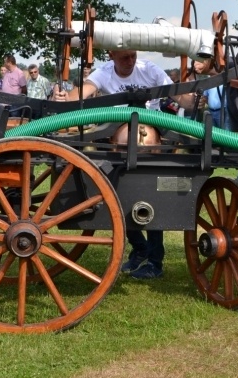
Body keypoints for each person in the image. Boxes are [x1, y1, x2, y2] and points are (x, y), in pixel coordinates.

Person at [55, 50, 173, 279]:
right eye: (124, 58)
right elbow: (82, 92)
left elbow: (180, 96)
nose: (130, 62)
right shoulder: (105, 73)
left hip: (152, 144)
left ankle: (155, 262)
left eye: (132, 56)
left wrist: (197, 91)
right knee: (118, 197)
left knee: (153, 200)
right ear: (111, 56)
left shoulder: (150, 70)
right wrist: (64, 98)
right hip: (115, 145)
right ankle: (140, 250)